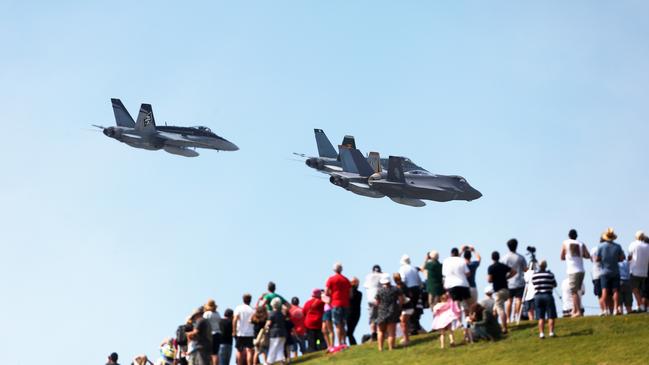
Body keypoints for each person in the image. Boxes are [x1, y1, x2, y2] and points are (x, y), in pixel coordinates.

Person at [560, 229, 590, 317]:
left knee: (574, 291)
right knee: (577, 291)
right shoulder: (581, 243)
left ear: (569, 235)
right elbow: (587, 255)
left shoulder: (565, 243)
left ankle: (578, 312)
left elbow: (561, 257)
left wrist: (568, 256)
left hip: (572, 270)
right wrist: (580, 255)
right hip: (581, 270)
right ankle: (574, 310)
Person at [595, 228, 625, 315]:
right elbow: (622, 258)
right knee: (615, 291)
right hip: (615, 271)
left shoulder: (600, 246)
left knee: (604, 291)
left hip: (604, 272)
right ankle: (616, 309)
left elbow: (597, 259)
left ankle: (605, 310)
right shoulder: (618, 246)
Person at [487, 251, 516, 334]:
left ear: (492, 258)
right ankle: (494, 326)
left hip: (498, 291)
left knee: (500, 309)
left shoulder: (491, 267)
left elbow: (489, 280)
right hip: (506, 290)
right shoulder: (503, 266)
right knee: (495, 309)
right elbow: (514, 271)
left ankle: (504, 328)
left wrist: (494, 279)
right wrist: (507, 277)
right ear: (499, 257)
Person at [325, 262, 352, 347]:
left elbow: (326, 292)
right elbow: (350, 294)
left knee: (337, 324)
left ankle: (339, 343)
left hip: (336, 303)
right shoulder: (346, 280)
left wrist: (331, 294)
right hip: (345, 304)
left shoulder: (331, 279)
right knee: (343, 323)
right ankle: (344, 341)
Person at [375, 275, 404, 351]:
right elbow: (401, 300)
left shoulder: (379, 290)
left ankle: (380, 348)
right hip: (392, 311)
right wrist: (399, 307)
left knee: (381, 331)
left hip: (381, 312)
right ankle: (391, 347)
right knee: (391, 332)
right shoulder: (395, 289)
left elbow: (377, 302)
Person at [531, 260, 557, 339]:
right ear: (546, 266)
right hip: (548, 295)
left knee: (540, 316)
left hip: (538, 296)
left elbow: (533, 283)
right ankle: (551, 332)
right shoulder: (550, 274)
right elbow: (554, 284)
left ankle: (541, 333)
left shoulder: (534, 275)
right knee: (551, 315)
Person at [504, 239, 527, 323]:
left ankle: (508, 319)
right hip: (519, 282)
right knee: (518, 300)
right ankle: (517, 316)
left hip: (509, 282)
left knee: (509, 301)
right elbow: (525, 269)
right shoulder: (521, 257)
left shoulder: (505, 257)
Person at [398, 254, 423, 334]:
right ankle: (415, 326)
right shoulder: (414, 268)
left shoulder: (402, 269)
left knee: (409, 308)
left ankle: (412, 328)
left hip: (409, 289)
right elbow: (419, 281)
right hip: (416, 288)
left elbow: (403, 280)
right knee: (415, 308)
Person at [442, 248, 471, 312]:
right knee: (464, 303)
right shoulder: (462, 260)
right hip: (463, 284)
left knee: (455, 304)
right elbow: (468, 273)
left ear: (451, 253)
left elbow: (444, 274)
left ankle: (458, 319)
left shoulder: (446, 261)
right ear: (458, 253)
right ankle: (467, 318)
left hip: (451, 285)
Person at [628, 231, 649, 312]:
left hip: (635, 270)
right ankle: (641, 306)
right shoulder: (647, 246)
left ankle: (641, 305)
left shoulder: (633, 244)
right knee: (641, 290)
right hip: (644, 271)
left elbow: (629, 256)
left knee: (634, 289)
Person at [233, 294, 255, 365]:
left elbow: (235, 319)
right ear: (250, 300)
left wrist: (234, 331)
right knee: (250, 351)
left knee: (240, 351)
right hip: (250, 332)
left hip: (240, 332)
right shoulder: (252, 309)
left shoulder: (239, 308)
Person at [393, 272, 413, 346]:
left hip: (406, 307)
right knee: (404, 323)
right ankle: (406, 337)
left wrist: (399, 307)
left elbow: (402, 299)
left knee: (403, 323)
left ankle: (406, 339)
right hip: (408, 306)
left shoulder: (400, 287)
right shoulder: (404, 286)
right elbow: (410, 294)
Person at [363, 265, 383, 341]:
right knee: (380, 317)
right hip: (379, 300)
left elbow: (365, 286)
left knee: (372, 318)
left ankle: (373, 334)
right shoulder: (382, 275)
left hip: (370, 300)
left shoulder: (368, 276)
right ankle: (379, 333)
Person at [265, 298, 287, 364]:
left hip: (274, 333)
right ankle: (282, 361)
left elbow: (268, 324)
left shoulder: (271, 314)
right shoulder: (282, 314)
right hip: (283, 333)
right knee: (280, 348)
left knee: (273, 347)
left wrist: (266, 328)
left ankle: (268, 362)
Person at [203, 299, 222, 365]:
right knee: (216, 353)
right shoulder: (217, 314)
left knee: (209, 352)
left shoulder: (206, 314)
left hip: (210, 334)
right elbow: (220, 323)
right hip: (218, 333)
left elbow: (203, 324)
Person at [347, 277, 362, 346]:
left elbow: (351, 297)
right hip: (356, 313)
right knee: (350, 331)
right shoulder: (359, 293)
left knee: (349, 332)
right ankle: (352, 343)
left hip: (351, 313)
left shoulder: (354, 293)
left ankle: (353, 344)